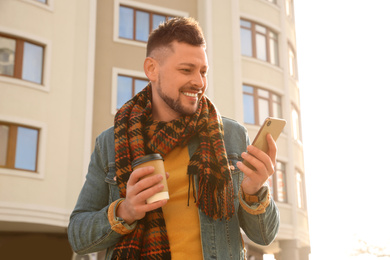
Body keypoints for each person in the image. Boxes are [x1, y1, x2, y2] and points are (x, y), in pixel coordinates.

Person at [68, 17, 279, 260]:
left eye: (203, 72)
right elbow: (77, 235)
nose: (199, 82)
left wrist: (255, 191)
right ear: (151, 69)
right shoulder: (110, 143)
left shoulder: (230, 136)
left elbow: (265, 236)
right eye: (186, 70)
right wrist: (125, 210)